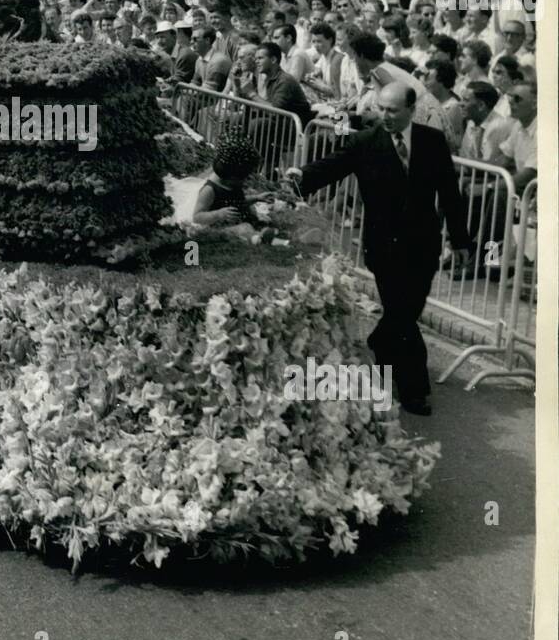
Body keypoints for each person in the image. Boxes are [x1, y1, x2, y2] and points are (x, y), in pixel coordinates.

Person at [287, 82, 472, 414]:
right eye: (381, 109)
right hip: (383, 245)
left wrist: (460, 240)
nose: (384, 116)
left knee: (407, 311)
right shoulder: (365, 142)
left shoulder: (431, 142)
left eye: (392, 111)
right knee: (401, 313)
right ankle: (414, 389)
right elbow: (332, 166)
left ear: (411, 111)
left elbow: (449, 194)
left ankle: (379, 344)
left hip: (423, 244)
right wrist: (297, 178)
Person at [191, 131, 265, 229]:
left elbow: (237, 202)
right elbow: (197, 217)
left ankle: (267, 237)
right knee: (246, 229)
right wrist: (218, 214)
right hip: (220, 226)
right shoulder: (210, 190)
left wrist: (257, 198)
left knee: (257, 224)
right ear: (231, 175)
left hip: (238, 222)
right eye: (242, 178)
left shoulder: (233, 185)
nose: (244, 181)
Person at [252, 42, 312, 127]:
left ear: (273, 60)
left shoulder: (285, 80)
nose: (256, 62)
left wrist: (251, 94)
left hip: (293, 127)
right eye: (255, 59)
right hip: (279, 123)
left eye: (260, 58)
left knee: (258, 124)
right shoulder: (267, 78)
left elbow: (275, 112)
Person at [497, 81, 537, 193]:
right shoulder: (518, 124)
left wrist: (488, 187)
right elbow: (502, 161)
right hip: (523, 187)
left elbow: (528, 175)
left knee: (497, 195)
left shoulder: (542, 131)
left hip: (534, 192)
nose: (511, 102)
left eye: (517, 99)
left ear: (535, 104)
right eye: (510, 98)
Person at [459, 81, 512, 164]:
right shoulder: (471, 122)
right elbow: (464, 156)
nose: (460, 104)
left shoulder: (499, 126)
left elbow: (487, 167)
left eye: (466, 100)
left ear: (481, 106)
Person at [303, 21, 343, 100]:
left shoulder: (337, 59)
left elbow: (338, 94)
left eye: (319, 41)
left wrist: (319, 85)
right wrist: (312, 76)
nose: (315, 45)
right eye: (314, 41)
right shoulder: (323, 56)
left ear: (330, 40)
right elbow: (316, 70)